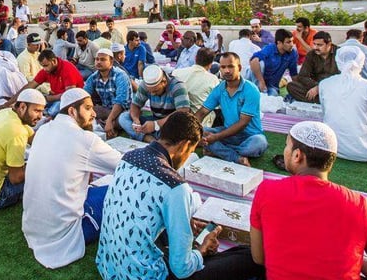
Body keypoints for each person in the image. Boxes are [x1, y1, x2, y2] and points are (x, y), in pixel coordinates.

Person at [250, 121, 367, 280]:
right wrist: (363, 265)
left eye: (287, 146)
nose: (285, 151)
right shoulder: (358, 205)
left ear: (298, 156)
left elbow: (259, 258)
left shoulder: (267, 191)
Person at [97, 111, 260, 280]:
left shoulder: (128, 158)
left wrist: (185, 221)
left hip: (109, 268)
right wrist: (202, 250)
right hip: (147, 276)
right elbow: (182, 269)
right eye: (191, 150)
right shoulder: (175, 187)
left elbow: (142, 213)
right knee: (247, 257)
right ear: (185, 145)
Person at [23, 89, 122, 269]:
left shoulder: (43, 129)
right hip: (64, 234)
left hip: (33, 227)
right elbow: (124, 167)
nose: (93, 114)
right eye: (88, 108)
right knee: (119, 188)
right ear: (71, 111)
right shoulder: (86, 139)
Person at [197, 52, 267, 165]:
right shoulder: (219, 89)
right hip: (227, 133)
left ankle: (220, 151)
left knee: (259, 143)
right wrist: (196, 131)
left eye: (230, 66)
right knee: (202, 132)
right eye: (223, 67)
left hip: (249, 136)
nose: (226, 71)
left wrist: (215, 138)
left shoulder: (251, 89)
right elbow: (201, 112)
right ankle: (235, 157)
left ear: (239, 67)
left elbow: (243, 123)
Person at [120, 65, 190, 142]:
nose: (152, 94)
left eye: (156, 91)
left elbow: (183, 112)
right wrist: (136, 120)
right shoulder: (145, 84)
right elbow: (135, 105)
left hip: (171, 123)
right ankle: (148, 138)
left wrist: (156, 124)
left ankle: (151, 136)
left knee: (180, 130)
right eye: (150, 92)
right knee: (124, 117)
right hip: (154, 120)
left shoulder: (177, 86)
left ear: (164, 82)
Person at [21, 48, 85, 116]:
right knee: (34, 103)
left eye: (46, 65)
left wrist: (48, 98)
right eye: (43, 66)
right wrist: (16, 100)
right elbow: (31, 85)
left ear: (54, 61)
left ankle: (48, 116)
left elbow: (69, 96)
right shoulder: (47, 70)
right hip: (56, 97)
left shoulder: (67, 69)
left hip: (73, 101)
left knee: (53, 110)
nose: (44, 69)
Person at [84, 48, 132, 138]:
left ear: (111, 61)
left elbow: (120, 102)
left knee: (123, 119)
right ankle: (109, 125)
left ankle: (108, 124)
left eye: (103, 59)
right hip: (106, 110)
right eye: (97, 59)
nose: (98, 62)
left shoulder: (120, 75)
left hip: (124, 111)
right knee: (91, 110)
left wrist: (109, 120)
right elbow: (84, 96)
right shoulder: (93, 77)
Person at [287, 30, 339, 103]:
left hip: (334, 87)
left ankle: (322, 100)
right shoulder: (311, 54)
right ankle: (325, 101)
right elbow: (302, 76)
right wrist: (316, 86)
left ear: (329, 44)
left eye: (319, 45)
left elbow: (344, 77)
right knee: (291, 86)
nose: (316, 47)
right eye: (314, 44)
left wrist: (321, 87)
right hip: (315, 86)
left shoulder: (340, 53)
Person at [172, 48, 219, 127]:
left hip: (176, 118)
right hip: (202, 123)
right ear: (211, 64)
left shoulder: (177, 72)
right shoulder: (213, 79)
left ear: (195, 58)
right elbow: (217, 105)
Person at [249, 29, 298, 96]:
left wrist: (297, 89)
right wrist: (261, 82)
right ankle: (253, 91)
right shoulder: (270, 48)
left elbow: (294, 74)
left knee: (273, 98)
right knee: (260, 63)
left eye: (292, 41)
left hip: (271, 86)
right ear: (279, 43)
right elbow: (253, 61)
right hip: (257, 81)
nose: (292, 44)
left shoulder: (292, 53)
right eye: (288, 42)